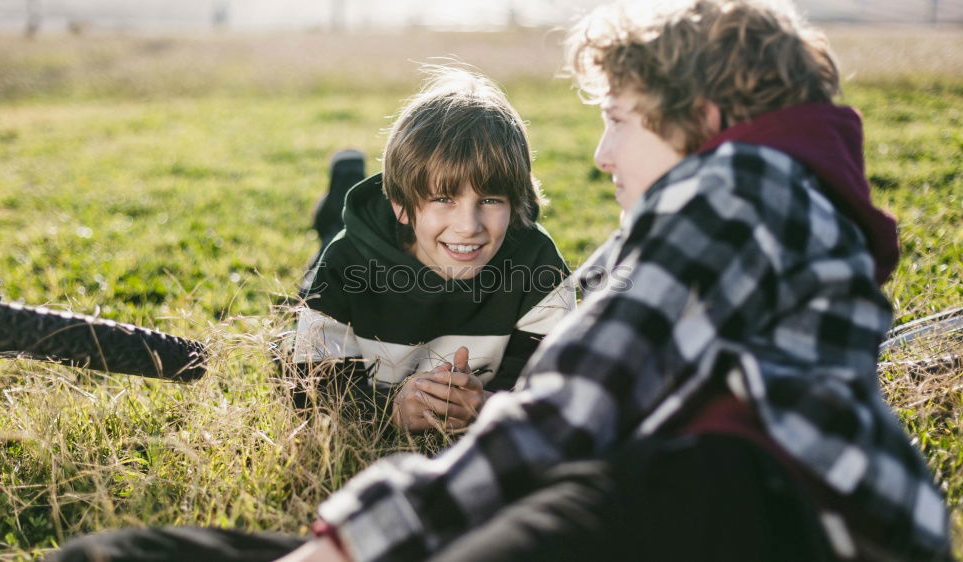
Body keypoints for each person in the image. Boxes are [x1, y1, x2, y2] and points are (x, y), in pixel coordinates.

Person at [49, 1, 952, 560]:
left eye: (622, 121)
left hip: (770, 511)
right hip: (647, 505)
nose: (601, 154)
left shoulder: (743, 185)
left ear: (704, 120)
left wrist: (348, 543)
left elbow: (567, 408)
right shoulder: (704, 219)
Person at [277, 65, 575, 434]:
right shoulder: (346, 263)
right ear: (400, 205)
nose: (469, 225)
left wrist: (488, 406)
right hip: (365, 247)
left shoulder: (538, 264)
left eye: (491, 199)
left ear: (516, 202)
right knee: (318, 265)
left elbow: (560, 387)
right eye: (444, 198)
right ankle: (339, 200)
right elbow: (305, 391)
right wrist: (391, 413)